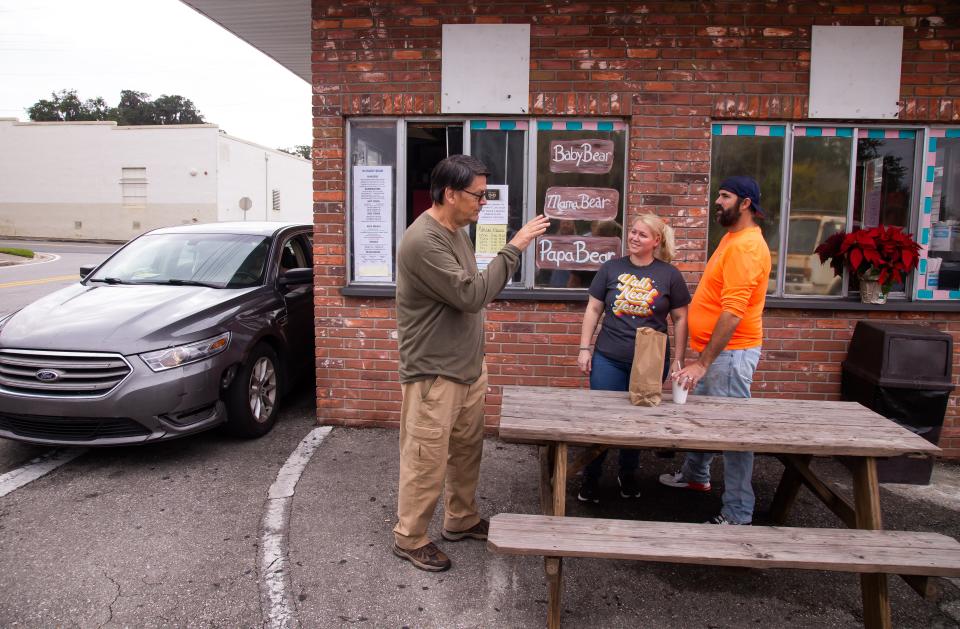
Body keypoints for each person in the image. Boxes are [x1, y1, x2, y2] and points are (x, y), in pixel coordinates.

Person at [393, 154, 550, 571]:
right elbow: (471, 295)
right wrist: (515, 247)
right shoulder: (423, 240)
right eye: (478, 195)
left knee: (466, 452)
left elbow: (470, 292)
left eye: (485, 194)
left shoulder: (457, 230)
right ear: (450, 194)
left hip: (466, 368)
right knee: (425, 458)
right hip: (434, 373)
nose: (483, 202)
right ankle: (409, 537)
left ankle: (460, 519)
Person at [659, 176, 772, 526]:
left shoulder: (746, 247)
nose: (717, 201)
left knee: (734, 434)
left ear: (746, 203)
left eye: (725, 196)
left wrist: (703, 363)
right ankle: (696, 475)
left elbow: (734, 311)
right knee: (706, 420)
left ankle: (738, 513)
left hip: (728, 356)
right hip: (716, 355)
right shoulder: (732, 238)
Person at [576, 213, 690, 502]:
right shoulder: (611, 268)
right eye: (633, 232)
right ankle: (590, 477)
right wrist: (584, 348)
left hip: (651, 361)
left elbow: (681, 318)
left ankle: (627, 474)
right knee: (601, 420)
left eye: (642, 234)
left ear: (656, 241)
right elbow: (593, 310)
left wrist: (678, 358)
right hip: (608, 357)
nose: (634, 237)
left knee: (638, 421)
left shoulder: (669, 275)